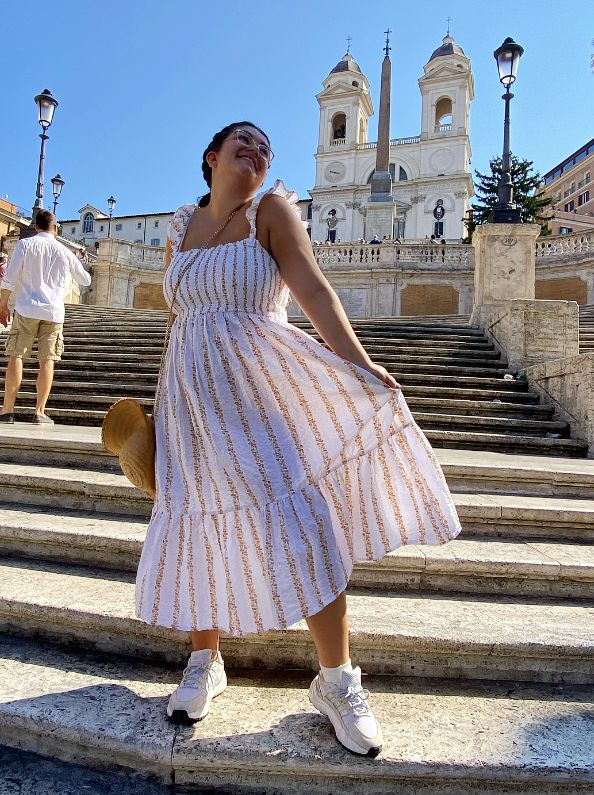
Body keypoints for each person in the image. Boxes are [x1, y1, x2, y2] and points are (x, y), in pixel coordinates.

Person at [135, 121, 462, 757]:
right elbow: (184, 312)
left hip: (263, 390)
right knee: (198, 522)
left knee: (305, 522)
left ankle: (338, 680)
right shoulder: (180, 225)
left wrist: (360, 364)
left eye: (263, 146)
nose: (256, 151)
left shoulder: (274, 209)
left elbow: (312, 288)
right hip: (190, 399)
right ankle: (207, 661)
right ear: (211, 157)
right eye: (243, 143)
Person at [0, 209, 91, 424]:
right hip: (53, 312)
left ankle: (7, 410)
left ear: (36, 227)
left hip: (26, 309)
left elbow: (10, 279)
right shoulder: (65, 251)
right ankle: (39, 412)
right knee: (47, 360)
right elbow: (85, 280)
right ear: (56, 229)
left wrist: (2, 305)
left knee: (16, 356)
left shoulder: (25, 245)